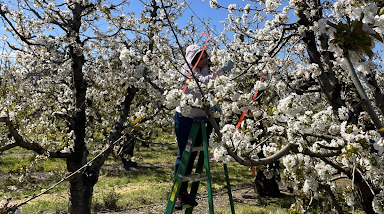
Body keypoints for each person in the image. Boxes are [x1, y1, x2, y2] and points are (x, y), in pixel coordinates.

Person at [173, 44, 233, 209]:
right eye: (202, 58)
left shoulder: (205, 69)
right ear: (193, 59)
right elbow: (205, 82)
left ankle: (185, 192)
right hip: (185, 118)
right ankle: (178, 192)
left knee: (193, 156)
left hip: (201, 118)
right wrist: (223, 70)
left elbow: (209, 88)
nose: (205, 60)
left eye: (206, 57)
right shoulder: (187, 71)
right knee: (183, 155)